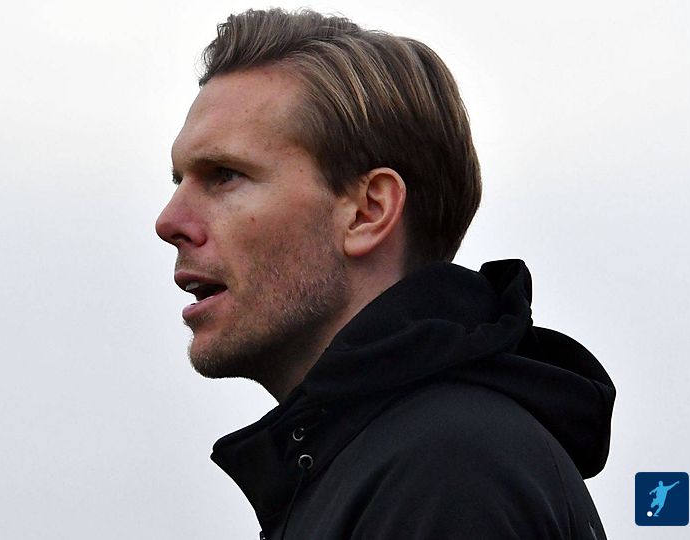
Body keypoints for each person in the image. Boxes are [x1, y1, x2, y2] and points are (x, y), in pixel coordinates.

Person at [155, 8, 615, 539]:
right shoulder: (372, 464)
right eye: (179, 180)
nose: (169, 222)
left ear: (368, 211)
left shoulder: (448, 469)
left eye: (224, 175)